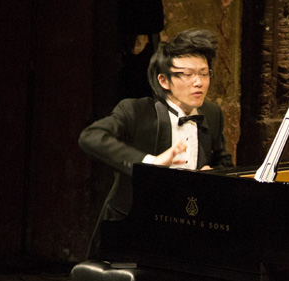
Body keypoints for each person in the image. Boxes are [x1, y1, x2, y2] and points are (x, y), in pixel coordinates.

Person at [78, 29, 233, 258]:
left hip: (187, 229)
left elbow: (225, 163)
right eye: (186, 74)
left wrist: (213, 176)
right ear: (164, 80)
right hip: (132, 231)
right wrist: (149, 162)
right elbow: (91, 137)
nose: (198, 82)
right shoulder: (135, 111)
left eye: (203, 73)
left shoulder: (212, 114)